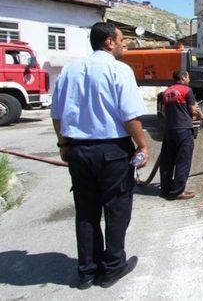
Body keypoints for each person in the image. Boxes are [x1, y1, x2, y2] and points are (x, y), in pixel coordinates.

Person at [51, 22, 148, 290]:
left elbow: (57, 115)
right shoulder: (119, 70)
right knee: (116, 209)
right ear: (108, 42)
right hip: (112, 152)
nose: (124, 44)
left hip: (79, 150)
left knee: (86, 212)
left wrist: (63, 145)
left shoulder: (69, 70)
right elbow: (130, 116)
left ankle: (86, 272)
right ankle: (113, 268)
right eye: (121, 40)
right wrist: (142, 146)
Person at [159, 69, 203, 200]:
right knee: (183, 161)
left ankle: (165, 189)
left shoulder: (167, 92)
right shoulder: (187, 90)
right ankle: (178, 191)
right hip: (184, 130)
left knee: (167, 161)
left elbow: (172, 110)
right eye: (188, 77)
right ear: (184, 77)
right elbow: (193, 110)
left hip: (169, 130)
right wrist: (201, 115)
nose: (189, 80)